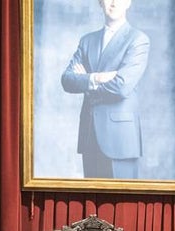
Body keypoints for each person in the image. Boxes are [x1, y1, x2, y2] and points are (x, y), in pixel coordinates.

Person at [60, 0, 150, 179]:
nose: (114, 2)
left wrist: (86, 81)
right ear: (100, 2)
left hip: (120, 139)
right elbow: (67, 80)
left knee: (122, 205)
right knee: (91, 204)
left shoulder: (138, 40)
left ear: (128, 3)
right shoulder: (87, 41)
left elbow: (122, 87)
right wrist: (97, 78)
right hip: (89, 134)